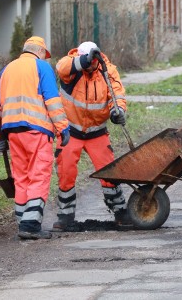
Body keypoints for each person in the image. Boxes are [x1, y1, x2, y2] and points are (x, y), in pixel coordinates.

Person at [0, 36, 70, 240]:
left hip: (12, 132)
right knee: (39, 174)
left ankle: (22, 222)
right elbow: (52, 101)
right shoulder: (42, 68)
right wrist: (63, 128)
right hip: (37, 131)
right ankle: (31, 225)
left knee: (21, 176)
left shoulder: (6, 71)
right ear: (41, 52)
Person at [52, 41, 131, 231]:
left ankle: (121, 213)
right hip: (71, 131)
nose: (90, 67)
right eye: (87, 62)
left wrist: (118, 111)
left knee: (109, 172)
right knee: (66, 172)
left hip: (97, 131)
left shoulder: (108, 70)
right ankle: (65, 216)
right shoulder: (71, 66)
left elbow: (117, 94)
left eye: (92, 63)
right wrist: (83, 61)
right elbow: (61, 67)